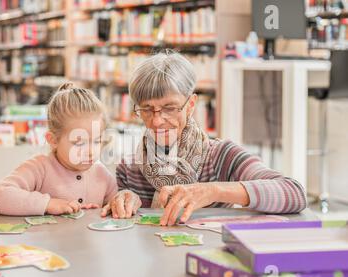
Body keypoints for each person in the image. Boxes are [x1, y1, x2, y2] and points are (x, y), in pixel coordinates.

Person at [101, 51, 307, 226]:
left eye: (170, 108)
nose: (156, 121)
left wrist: (213, 191)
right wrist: (123, 201)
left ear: (191, 105)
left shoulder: (222, 155)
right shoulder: (128, 167)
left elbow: (294, 193)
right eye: (146, 109)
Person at [0, 83, 118, 216]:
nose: (91, 151)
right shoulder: (39, 168)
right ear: (53, 140)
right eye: (80, 143)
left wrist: (111, 207)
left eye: (97, 141)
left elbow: (116, 203)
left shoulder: (101, 174)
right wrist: (48, 204)